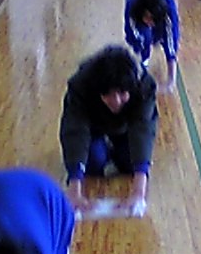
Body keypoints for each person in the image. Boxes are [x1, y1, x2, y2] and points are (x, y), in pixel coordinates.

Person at [59, 45, 158, 216]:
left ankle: (115, 148)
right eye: (108, 95)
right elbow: (75, 130)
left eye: (122, 94)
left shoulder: (144, 86)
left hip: (126, 128)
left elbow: (142, 129)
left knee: (129, 164)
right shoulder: (80, 86)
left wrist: (139, 192)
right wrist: (74, 190)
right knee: (94, 163)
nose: (116, 101)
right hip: (95, 126)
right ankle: (102, 148)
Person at [123, 0, 179, 91]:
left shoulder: (169, 8)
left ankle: (154, 38)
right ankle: (144, 63)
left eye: (153, 20)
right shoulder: (132, 6)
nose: (150, 22)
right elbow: (131, 34)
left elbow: (172, 42)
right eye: (147, 18)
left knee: (161, 35)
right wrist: (142, 60)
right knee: (143, 37)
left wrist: (171, 81)